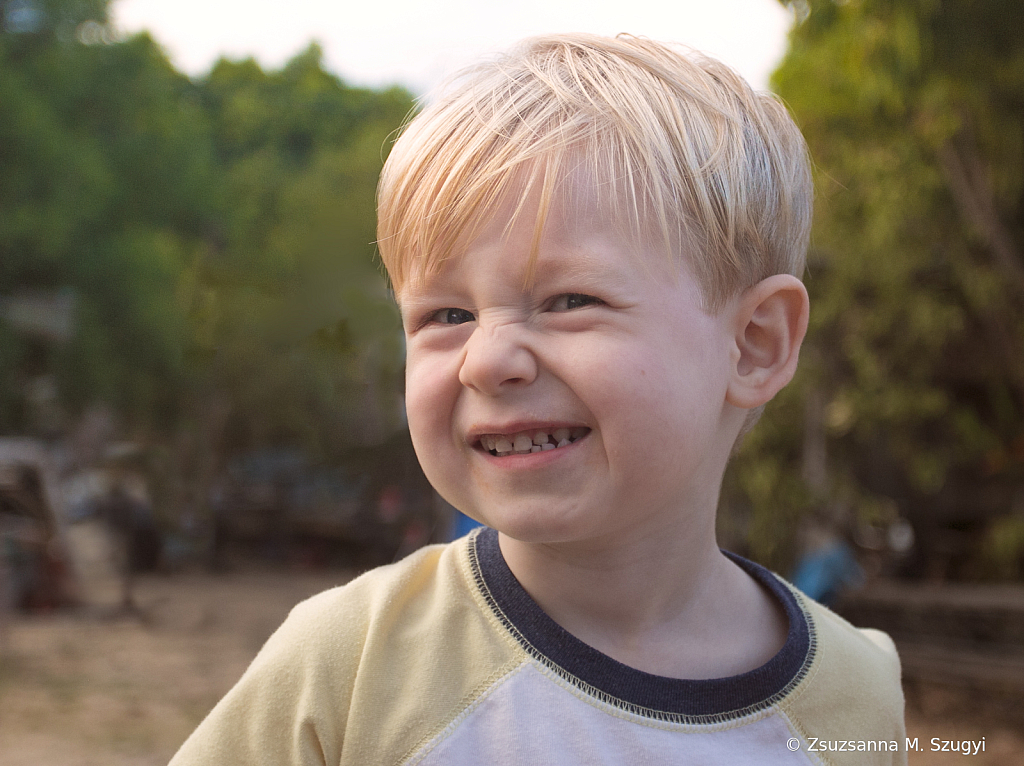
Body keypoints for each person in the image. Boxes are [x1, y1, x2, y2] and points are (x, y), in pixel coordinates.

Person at [170, 34, 905, 765]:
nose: (487, 362)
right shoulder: (350, 665)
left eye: (568, 300)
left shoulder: (857, 692)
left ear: (754, 344)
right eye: (446, 316)